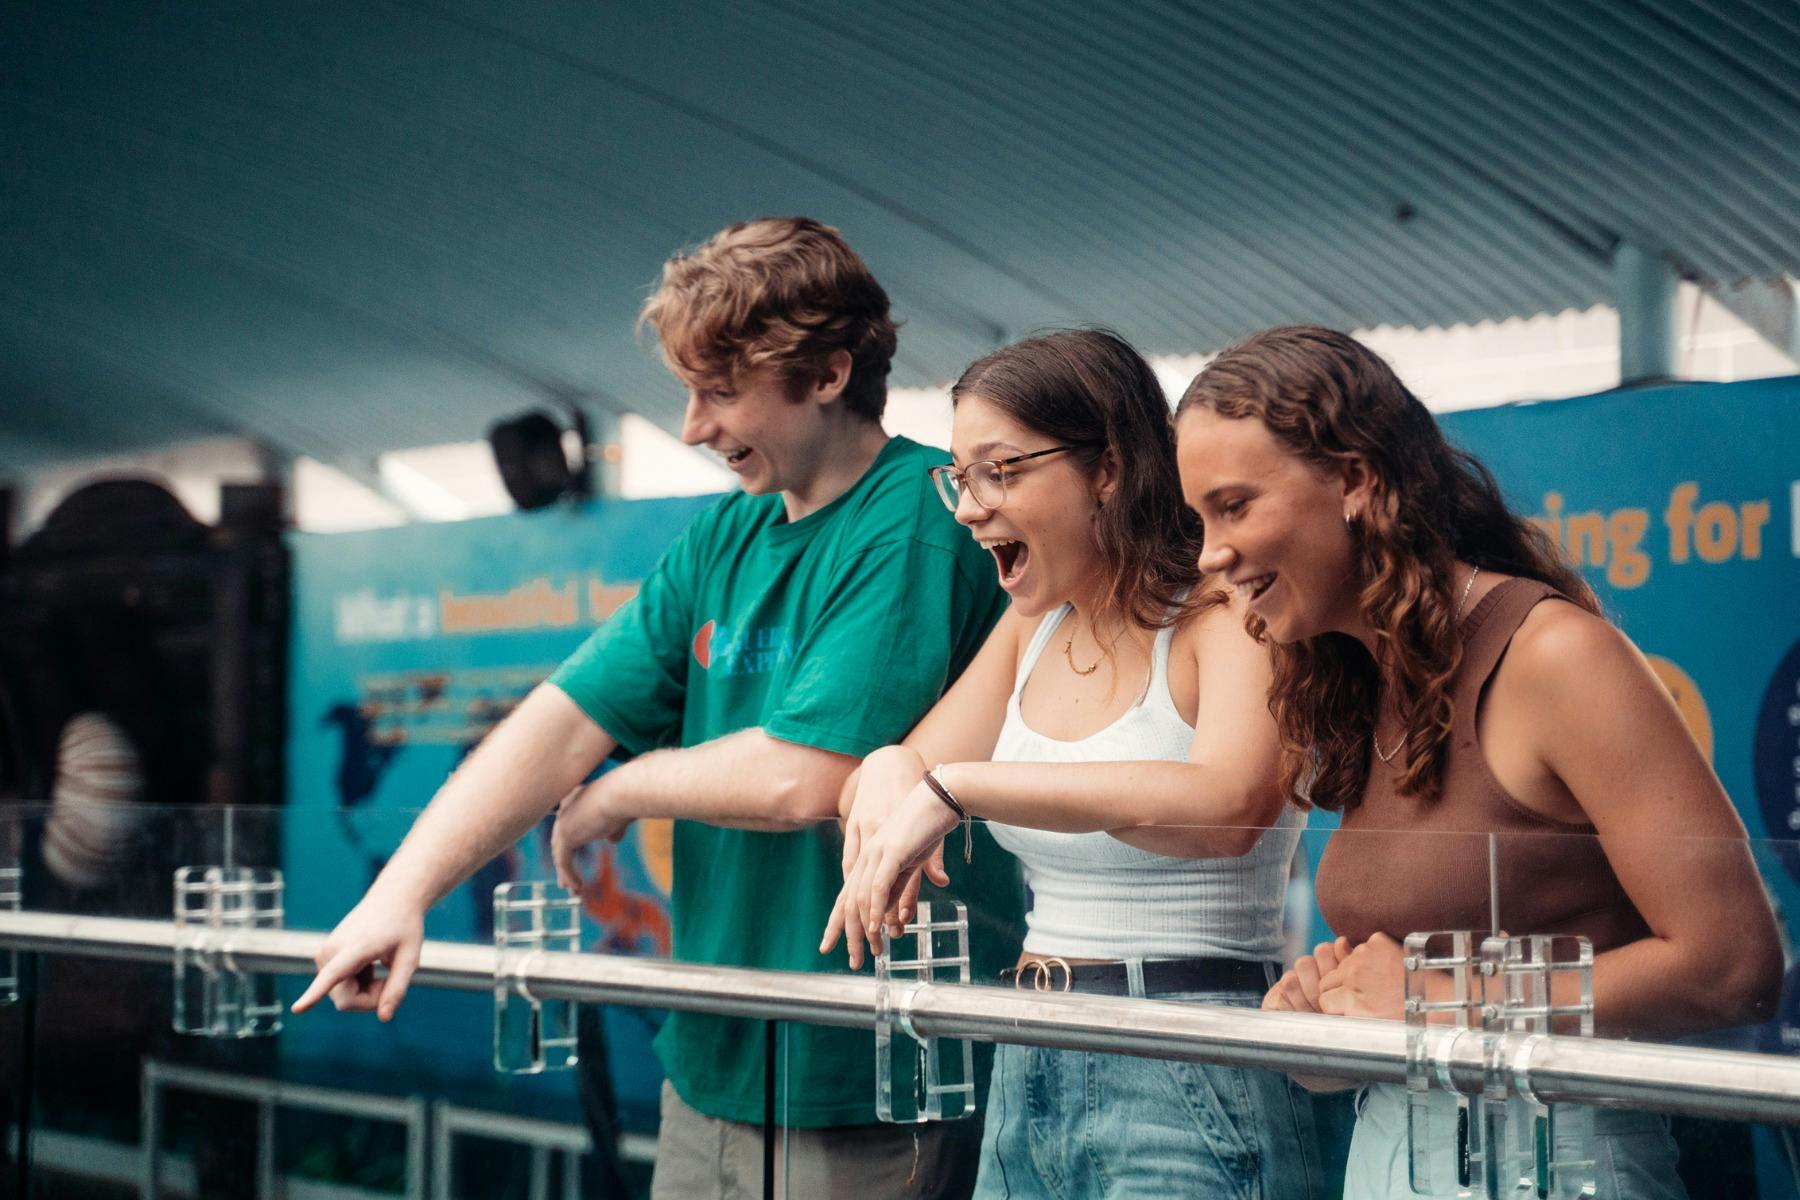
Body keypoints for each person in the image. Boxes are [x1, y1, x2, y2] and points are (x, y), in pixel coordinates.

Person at [294, 217, 1025, 1199]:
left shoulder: (919, 517)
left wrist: (623, 788)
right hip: (714, 1057)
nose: (692, 427)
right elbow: (560, 721)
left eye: (722, 392)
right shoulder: (722, 536)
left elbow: (804, 776)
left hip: (867, 1074)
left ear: (828, 375)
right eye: (689, 392)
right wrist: (400, 895)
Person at [1174, 324, 1782, 1200]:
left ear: (1355, 479)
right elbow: (1407, 976)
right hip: (1389, 1148)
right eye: (1201, 518)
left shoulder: (1554, 656)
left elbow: (1732, 967)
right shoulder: (1357, 679)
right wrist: (1327, 1015)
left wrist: (1434, 1000)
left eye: (1234, 506)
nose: (1209, 553)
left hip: (1553, 1160)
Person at [824, 329, 1320, 1199]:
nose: (969, 507)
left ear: (1111, 469)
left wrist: (956, 786)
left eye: (1001, 471)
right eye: (959, 477)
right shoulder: (1032, 625)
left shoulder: (1225, 612)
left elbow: (1228, 806)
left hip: (1190, 1057)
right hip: (1030, 1050)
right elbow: (905, 770)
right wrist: (889, 767)